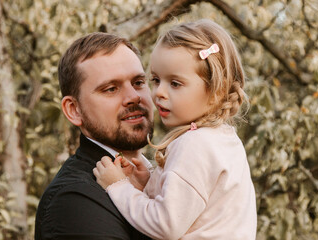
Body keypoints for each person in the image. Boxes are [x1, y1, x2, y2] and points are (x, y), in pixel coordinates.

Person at [94, 19, 257, 240]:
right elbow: (194, 209)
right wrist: (150, 184)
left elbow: (166, 225)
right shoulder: (223, 139)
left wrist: (118, 186)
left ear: (216, 91)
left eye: (175, 83)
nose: (159, 92)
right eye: (156, 80)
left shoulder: (195, 144)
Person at [35, 32, 154, 240]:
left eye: (138, 82)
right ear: (74, 110)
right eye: (110, 89)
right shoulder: (74, 200)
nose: (133, 97)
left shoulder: (167, 175)